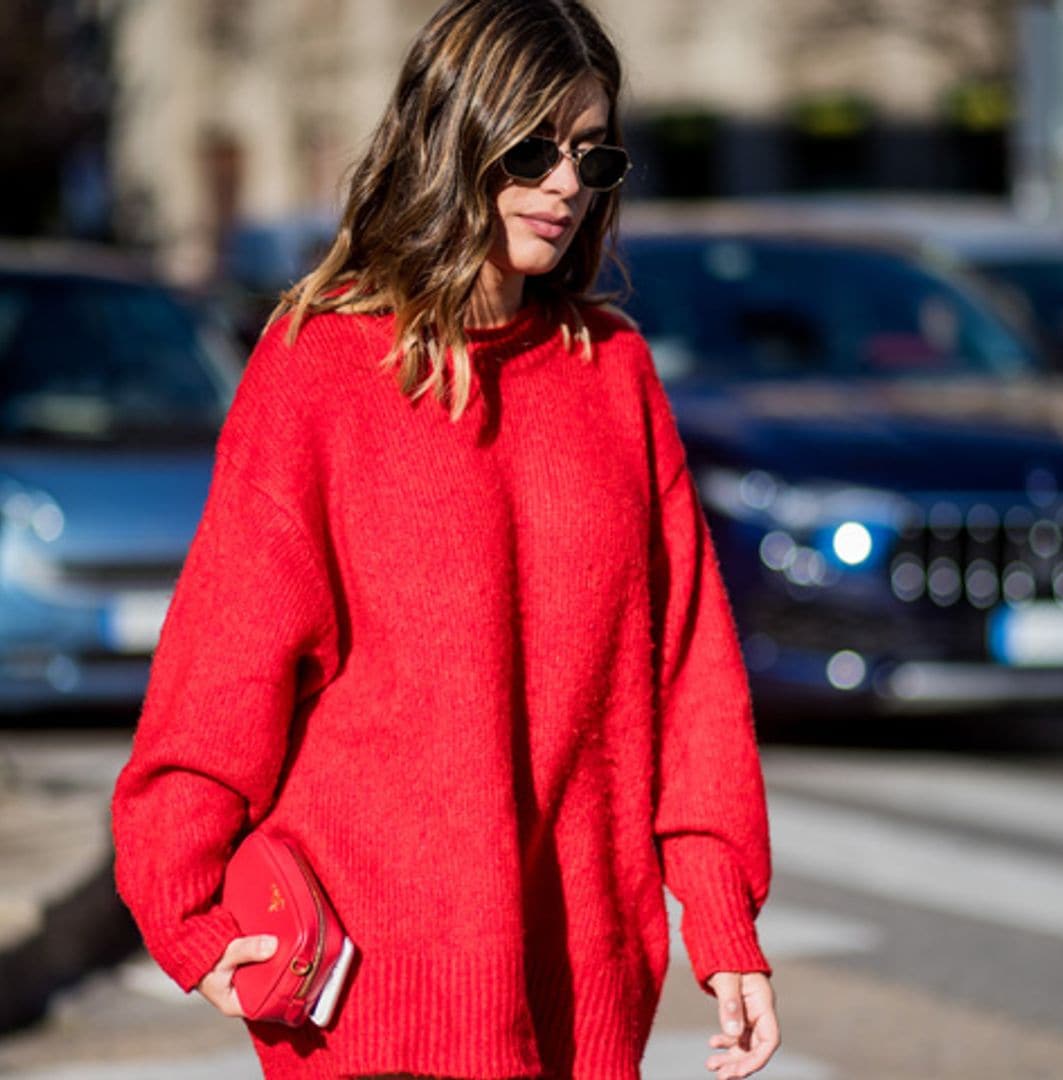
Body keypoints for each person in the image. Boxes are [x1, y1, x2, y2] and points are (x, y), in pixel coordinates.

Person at [110, 1, 781, 1077]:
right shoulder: (319, 370)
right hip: (368, 989)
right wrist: (186, 909)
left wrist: (723, 917)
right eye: (533, 149)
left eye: (591, 154)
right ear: (453, 138)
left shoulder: (615, 378)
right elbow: (224, 665)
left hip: (583, 978)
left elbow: (690, 673)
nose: (566, 182)